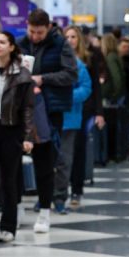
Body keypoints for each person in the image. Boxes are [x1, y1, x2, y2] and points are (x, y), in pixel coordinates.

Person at [17, 8, 78, 233]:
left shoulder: (61, 44)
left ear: (49, 28)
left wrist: (43, 79)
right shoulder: (20, 43)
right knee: (14, 161)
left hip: (50, 110)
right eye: (32, 31)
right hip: (21, 109)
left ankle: (45, 210)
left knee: (46, 161)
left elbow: (71, 74)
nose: (35, 36)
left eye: (40, 32)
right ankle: (15, 207)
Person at [0, 31, 34, 245]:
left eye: (2, 42)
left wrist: (29, 136)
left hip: (12, 128)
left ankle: (8, 226)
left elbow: (28, 108)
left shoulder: (22, 74)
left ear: (12, 47)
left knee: (10, 179)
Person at [54, 28, 92, 214]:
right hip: (50, 118)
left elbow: (86, 89)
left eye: (73, 37)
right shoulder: (53, 62)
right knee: (48, 160)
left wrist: (66, 96)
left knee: (65, 160)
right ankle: (47, 196)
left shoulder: (78, 65)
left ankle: (60, 196)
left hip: (70, 119)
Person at [67, 26, 105, 208]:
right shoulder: (60, 58)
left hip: (85, 109)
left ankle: (77, 188)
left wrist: (99, 112)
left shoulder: (89, 59)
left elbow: (96, 87)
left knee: (79, 148)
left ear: (79, 39)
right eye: (67, 37)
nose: (70, 40)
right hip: (65, 110)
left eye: (73, 37)